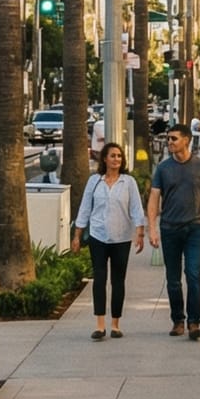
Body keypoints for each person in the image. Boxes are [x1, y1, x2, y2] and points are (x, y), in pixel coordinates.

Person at [147, 124, 200, 339]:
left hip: (194, 226)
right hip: (169, 227)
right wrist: (152, 228)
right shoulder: (163, 168)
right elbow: (153, 198)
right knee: (173, 279)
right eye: (168, 139)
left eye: (174, 139)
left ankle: (194, 322)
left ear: (186, 140)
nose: (170, 142)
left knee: (193, 274)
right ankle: (178, 319)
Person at [71, 141, 146, 339]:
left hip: (121, 237)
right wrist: (77, 235)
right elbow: (85, 208)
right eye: (112, 156)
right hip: (98, 236)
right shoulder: (94, 181)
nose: (116, 159)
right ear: (104, 159)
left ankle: (115, 324)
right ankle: (100, 324)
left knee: (118, 280)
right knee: (100, 278)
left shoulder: (128, 182)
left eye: (119, 156)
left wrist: (140, 232)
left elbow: (136, 208)